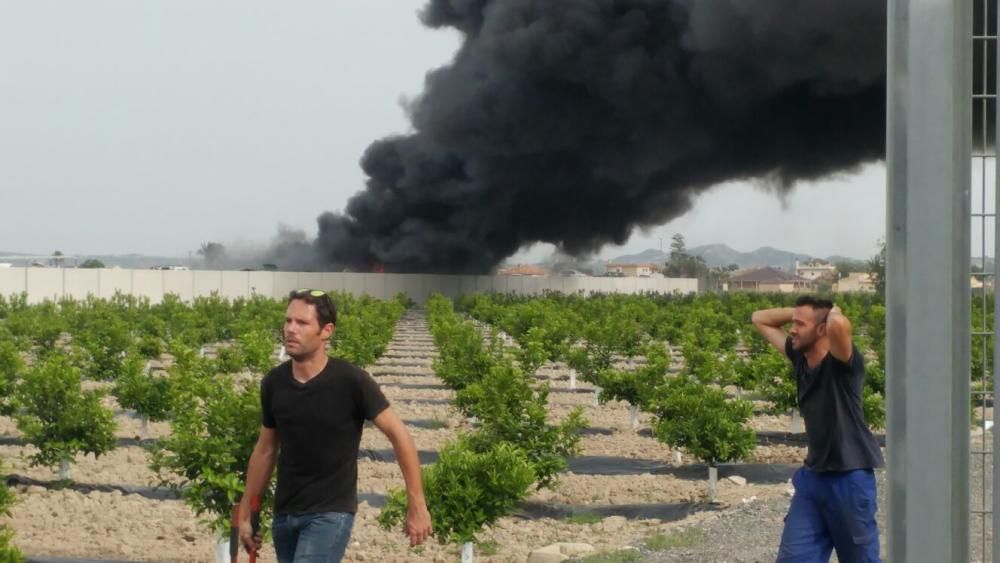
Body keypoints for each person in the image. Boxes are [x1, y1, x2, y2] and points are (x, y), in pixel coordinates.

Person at [238, 289, 432, 562]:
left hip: (330, 514)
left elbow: (400, 436)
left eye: (302, 323)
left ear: (326, 331)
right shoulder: (274, 383)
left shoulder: (352, 381)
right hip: (285, 515)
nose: (291, 329)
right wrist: (246, 510)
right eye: (288, 321)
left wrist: (417, 504)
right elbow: (265, 450)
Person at [752, 295, 883, 563]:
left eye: (800, 324)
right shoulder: (800, 358)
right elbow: (759, 319)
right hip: (813, 480)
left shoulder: (843, 365)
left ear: (822, 329)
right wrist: (801, 315)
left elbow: (840, 328)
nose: (793, 329)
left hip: (850, 478)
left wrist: (830, 313)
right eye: (793, 323)